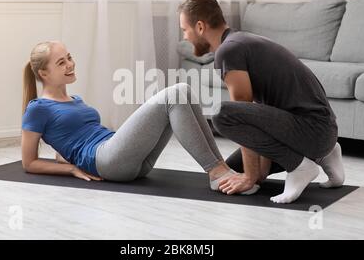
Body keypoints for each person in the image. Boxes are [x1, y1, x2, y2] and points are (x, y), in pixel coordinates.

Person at [21, 41, 259, 193]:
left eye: (69, 57)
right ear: (44, 73)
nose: (70, 64)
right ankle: (217, 173)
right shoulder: (38, 108)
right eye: (61, 62)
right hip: (107, 161)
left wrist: (65, 155)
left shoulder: (76, 100)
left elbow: (66, 141)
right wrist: (72, 169)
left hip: (129, 162)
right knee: (175, 94)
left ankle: (221, 169)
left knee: (184, 91)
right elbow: (28, 162)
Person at [178, 0, 345, 204]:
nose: (184, 36)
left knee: (223, 114)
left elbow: (242, 112)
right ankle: (325, 155)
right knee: (233, 169)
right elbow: (261, 114)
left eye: (185, 30)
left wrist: (250, 177)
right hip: (321, 132)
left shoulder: (228, 51)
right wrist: (259, 173)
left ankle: (300, 166)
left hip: (312, 130)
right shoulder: (240, 40)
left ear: (200, 27)